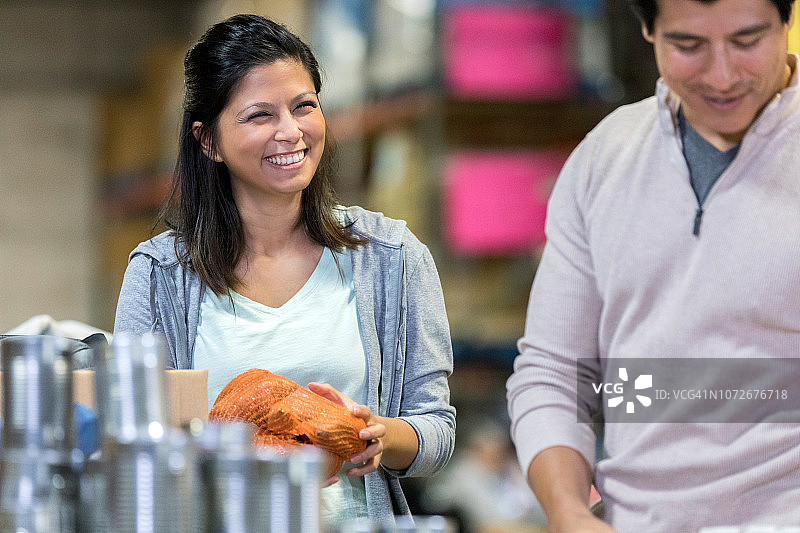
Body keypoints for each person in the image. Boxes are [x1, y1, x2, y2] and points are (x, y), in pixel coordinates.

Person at [113, 14, 456, 528]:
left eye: (304, 106)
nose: (290, 131)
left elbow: (437, 430)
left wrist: (379, 434)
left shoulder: (392, 257)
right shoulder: (160, 274)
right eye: (259, 115)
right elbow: (128, 437)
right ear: (208, 141)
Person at [506, 0, 799, 531]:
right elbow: (556, 372)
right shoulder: (605, 158)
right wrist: (568, 511)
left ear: (788, 19)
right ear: (647, 29)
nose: (723, 74)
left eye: (747, 40)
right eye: (689, 45)